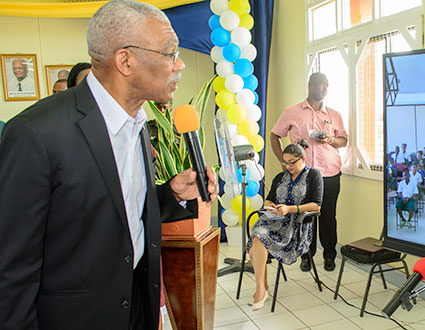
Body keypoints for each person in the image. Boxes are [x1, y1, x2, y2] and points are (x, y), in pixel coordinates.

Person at [0, 1, 218, 329]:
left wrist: (171, 193)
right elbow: (11, 270)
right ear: (125, 60)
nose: (181, 64)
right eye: (171, 52)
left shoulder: (140, 125)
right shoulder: (36, 133)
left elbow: (118, 213)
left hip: (136, 309)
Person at [271, 72, 348, 272]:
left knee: (328, 216)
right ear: (311, 85)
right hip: (303, 175)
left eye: (327, 85)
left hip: (330, 174)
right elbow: (274, 135)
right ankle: (306, 256)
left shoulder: (334, 115)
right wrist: (283, 160)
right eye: (321, 84)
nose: (324, 88)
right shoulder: (292, 111)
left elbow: (343, 140)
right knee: (305, 217)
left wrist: (330, 139)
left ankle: (330, 256)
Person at [247, 141, 323, 310]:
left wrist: (290, 209)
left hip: (296, 226)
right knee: (258, 237)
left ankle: (261, 290)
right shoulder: (280, 177)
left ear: (303, 159)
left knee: (257, 243)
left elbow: (316, 205)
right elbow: (268, 199)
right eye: (285, 162)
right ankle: (262, 288)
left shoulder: (314, 176)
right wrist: (271, 206)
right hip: (273, 221)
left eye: (292, 162)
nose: (288, 166)